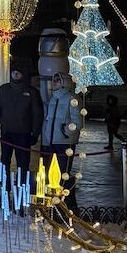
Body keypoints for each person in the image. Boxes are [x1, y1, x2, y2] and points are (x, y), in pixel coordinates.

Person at [0, 63, 43, 176]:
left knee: (23, 163)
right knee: (5, 161)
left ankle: (22, 183)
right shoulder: (3, 90)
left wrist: (35, 133)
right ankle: (5, 183)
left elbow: (37, 114)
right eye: (13, 71)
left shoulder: (31, 92)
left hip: (24, 133)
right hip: (7, 132)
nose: (15, 74)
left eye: (18, 72)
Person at [41, 72, 82, 209]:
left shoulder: (72, 98)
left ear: (64, 82)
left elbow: (78, 121)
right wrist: (48, 134)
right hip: (53, 140)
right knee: (53, 172)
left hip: (65, 142)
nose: (54, 83)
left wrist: (65, 131)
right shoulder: (54, 98)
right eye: (54, 80)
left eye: (57, 80)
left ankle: (65, 202)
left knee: (63, 172)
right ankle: (55, 200)